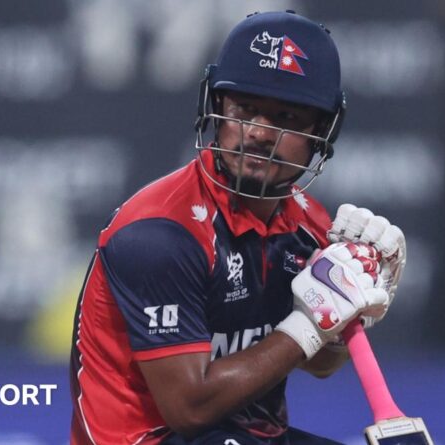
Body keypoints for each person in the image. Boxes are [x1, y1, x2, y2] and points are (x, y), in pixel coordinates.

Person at [69, 10, 406, 445]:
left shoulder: (309, 224)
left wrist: (348, 314)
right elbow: (190, 409)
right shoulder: (159, 234)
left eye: (286, 117)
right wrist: (311, 323)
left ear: (323, 131)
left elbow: (318, 364)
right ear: (216, 108)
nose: (260, 133)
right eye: (245, 108)